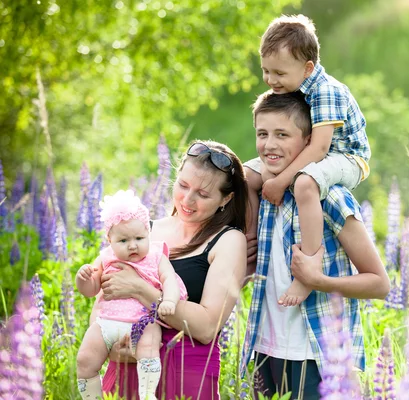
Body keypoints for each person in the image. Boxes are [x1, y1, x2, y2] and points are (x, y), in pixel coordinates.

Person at [241, 91, 389, 399]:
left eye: (282, 134)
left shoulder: (330, 197)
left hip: (319, 355)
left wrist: (318, 281)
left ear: (308, 142)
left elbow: (379, 284)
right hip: (264, 347)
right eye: (262, 134)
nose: (270, 144)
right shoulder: (266, 192)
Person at [98, 140, 248, 400]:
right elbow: (103, 301)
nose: (187, 200)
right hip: (126, 370)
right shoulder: (144, 232)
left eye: (202, 194)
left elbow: (206, 326)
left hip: (185, 376)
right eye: (183, 185)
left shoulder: (228, 240)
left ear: (226, 198)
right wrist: (107, 347)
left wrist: (140, 289)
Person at [245, 14, 371, 307]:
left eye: (278, 73)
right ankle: (251, 244)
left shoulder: (326, 90)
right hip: (320, 152)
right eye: (266, 71)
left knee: (304, 185)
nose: (270, 81)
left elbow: (318, 148)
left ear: (308, 68)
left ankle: (308, 269)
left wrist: (278, 182)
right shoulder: (295, 85)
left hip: (347, 158)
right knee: (246, 176)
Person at [76, 189, 187, 400]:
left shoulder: (156, 256)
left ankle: (147, 394)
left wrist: (169, 301)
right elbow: (91, 290)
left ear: (148, 232)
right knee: (84, 359)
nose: (133, 245)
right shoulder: (105, 258)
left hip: (143, 321)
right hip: (107, 323)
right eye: (123, 241)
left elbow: (169, 279)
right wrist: (83, 279)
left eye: (139, 237)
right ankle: (92, 397)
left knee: (148, 348)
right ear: (110, 240)